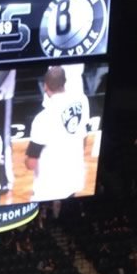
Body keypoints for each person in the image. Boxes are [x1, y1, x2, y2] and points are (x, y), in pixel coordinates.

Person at [27, 64, 92, 205]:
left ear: (45, 86)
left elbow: (31, 163)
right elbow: (84, 137)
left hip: (48, 188)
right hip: (73, 179)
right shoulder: (82, 101)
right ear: (65, 83)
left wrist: (25, 161)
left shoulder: (41, 119)